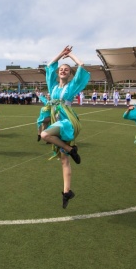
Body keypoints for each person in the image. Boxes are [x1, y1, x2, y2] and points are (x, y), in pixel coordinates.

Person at [40, 46, 90, 209]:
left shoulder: (72, 86)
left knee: (44, 135)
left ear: (70, 74)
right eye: (61, 69)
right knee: (64, 160)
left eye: (66, 70)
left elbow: (81, 66)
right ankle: (67, 192)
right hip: (57, 121)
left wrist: (71, 56)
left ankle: (70, 149)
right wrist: (61, 54)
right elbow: (49, 66)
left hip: (67, 121)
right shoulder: (53, 86)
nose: (63, 71)